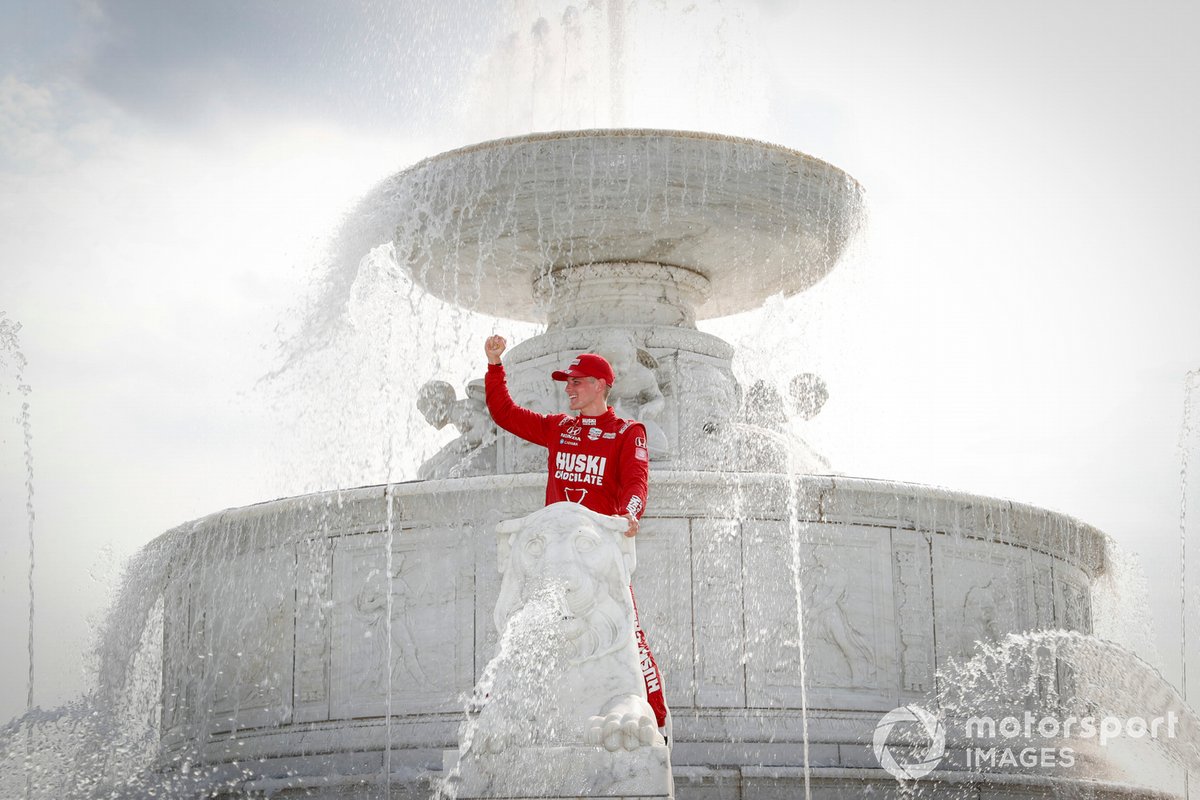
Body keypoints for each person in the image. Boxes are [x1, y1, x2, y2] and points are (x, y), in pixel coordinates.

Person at [483, 334, 670, 736]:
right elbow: (505, 413)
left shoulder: (627, 431)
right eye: (566, 382)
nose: (568, 388)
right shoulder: (558, 428)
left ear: (600, 386)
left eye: (576, 382)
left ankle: (656, 718)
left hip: (596, 558)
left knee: (631, 633)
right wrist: (495, 366)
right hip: (553, 557)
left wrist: (629, 515)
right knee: (526, 635)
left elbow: (636, 483)